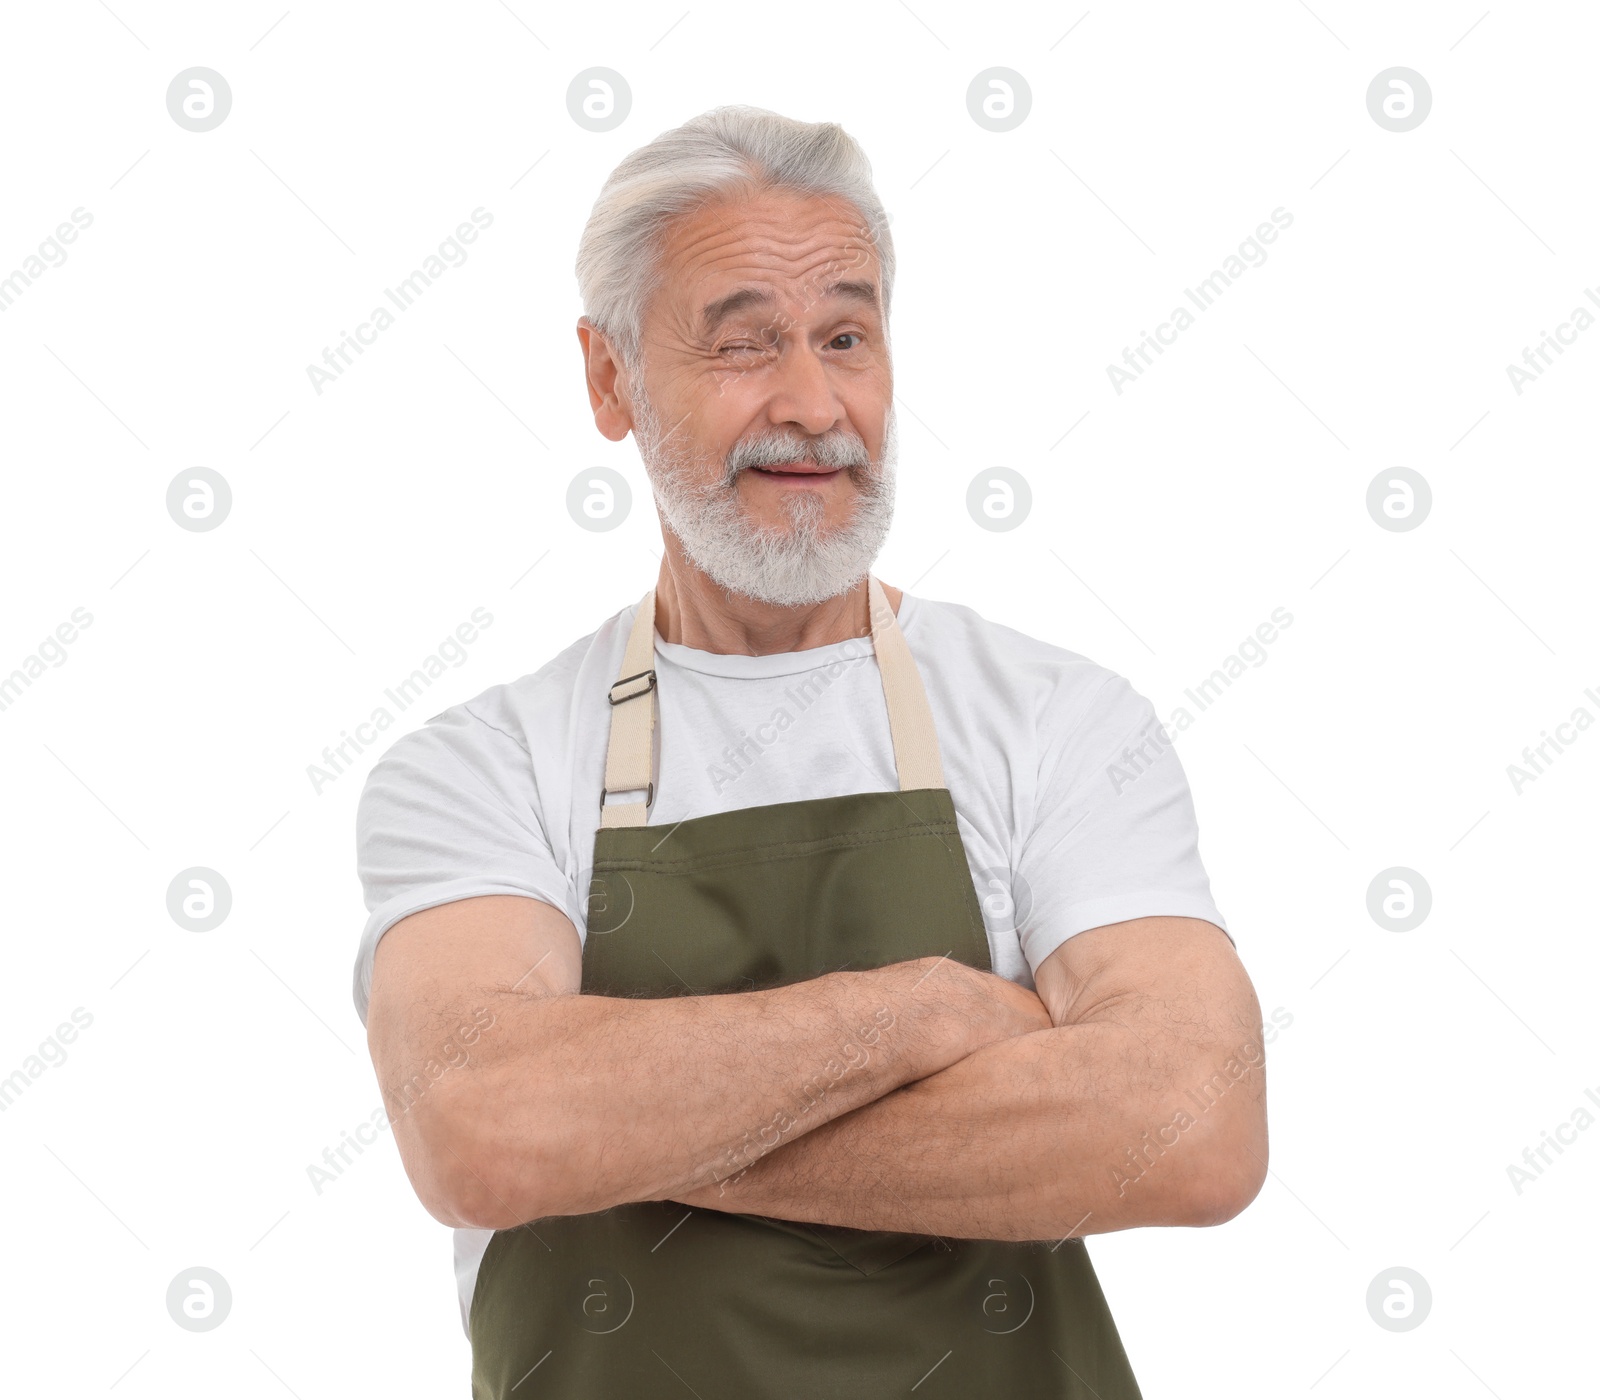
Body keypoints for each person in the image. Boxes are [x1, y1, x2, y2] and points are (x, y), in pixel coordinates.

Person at [354, 104, 1267, 1399]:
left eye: (847, 336)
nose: (812, 404)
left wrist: (625, 1127)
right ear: (608, 379)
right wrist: (927, 1012)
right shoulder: (481, 766)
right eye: (742, 345)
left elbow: (1194, 1125)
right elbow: (486, 1128)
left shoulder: (1057, 718)